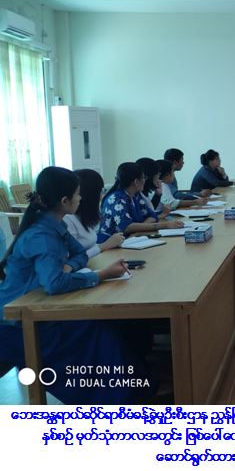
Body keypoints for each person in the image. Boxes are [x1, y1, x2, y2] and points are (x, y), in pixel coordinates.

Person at [0, 166, 154, 404]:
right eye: (77, 194)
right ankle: (117, 399)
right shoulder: (42, 234)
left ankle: (133, 389)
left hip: (39, 305)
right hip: (18, 322)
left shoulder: (55, 224)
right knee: (99, 331)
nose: (81, 198)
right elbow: (54, 283)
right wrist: (101, 275)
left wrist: (69, 266)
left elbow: (80, 254)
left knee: (113, 326)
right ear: (65, 201)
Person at [98, 162, 183, 242]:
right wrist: (165, 225)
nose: (145, 180)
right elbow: (127, 226)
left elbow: (152, 215)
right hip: (110, 244)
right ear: (136, 182)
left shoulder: (135, 195)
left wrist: (139, 229)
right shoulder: (117, 199)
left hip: (131, 239)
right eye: (143, 178)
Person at [64, 169, 125, 258]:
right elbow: (71, 259)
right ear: (91, 193)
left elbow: (89, 247)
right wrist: (104, 246)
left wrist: (111, 244)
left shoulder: (84, 215)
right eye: (101, 190)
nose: (102, 194)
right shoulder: (67, 219)